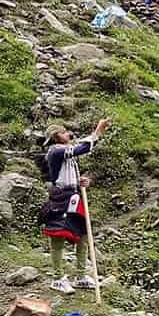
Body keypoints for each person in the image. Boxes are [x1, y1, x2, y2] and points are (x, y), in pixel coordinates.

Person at [41, 118, 111, 294]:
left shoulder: (66, 154)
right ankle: (57, 278)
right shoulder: (56, 150)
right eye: (64, 132)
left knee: (83, 235)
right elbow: (82, 148)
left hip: (74, 195)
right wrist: (98, 131)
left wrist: (83, 181)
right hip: (61, 197)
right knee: (58, 236)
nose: (68, 134)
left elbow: (70, 174)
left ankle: (80, 276)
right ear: (56, 136)